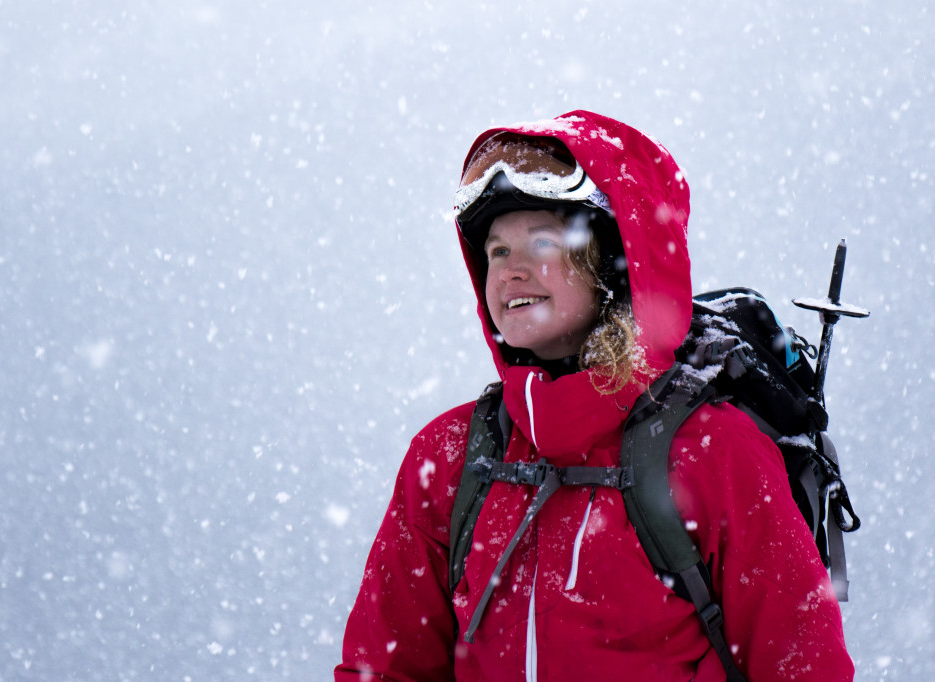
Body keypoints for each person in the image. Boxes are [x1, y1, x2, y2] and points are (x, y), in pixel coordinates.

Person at [335, 110, 853, 680]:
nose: (510, 271)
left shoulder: (715, 452)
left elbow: (804, 668)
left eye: (542, 243)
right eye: (498, 252)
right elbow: (384, 668)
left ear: (613, 263)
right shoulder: (451, 455)